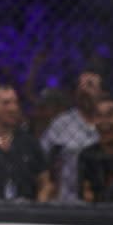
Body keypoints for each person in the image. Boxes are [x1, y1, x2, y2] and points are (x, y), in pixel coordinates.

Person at [0, 85, 52, 201]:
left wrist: (37, 210)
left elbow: (45, 183)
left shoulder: (29, 143)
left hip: (25, 212)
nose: (13, 108)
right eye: (6, 103)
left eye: (15, 102)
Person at [40, 70, 102, 201]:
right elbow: (42, 158)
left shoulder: (111, 123)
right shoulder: (61, 124)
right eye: (80, 85)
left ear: (102, 92)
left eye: (90, 85)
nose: (83, 90)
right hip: (68, 200)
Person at [78, 96, 113, 202]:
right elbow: (85, 193)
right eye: (99, 115)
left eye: (110, 115)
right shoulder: (87, 155)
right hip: (98, 213)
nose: (104, 121)